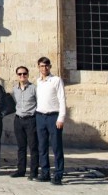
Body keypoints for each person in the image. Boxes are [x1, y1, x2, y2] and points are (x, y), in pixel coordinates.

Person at [35, 57, 66, 185]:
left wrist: (61, 117)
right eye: (42, 66)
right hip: (40, 116)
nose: (44, 68)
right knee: (42, 146)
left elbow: (62, 99)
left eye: (46, 66)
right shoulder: (38, 81)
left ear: (50, 66)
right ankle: (45, 172)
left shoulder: (56, 80)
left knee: (56, 146)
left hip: (53, 116)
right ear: (38, 67)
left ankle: (58, 174)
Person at [10, 65, 39, 180]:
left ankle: (34, 172)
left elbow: (39, 103)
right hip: (18, 120)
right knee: (21, 147)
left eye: (24, 73)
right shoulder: (15, 89)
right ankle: (21, 170)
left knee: (33, 147)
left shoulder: (34, 88)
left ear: (28, 74)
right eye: (20, 74)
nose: (22, 76)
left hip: (31, 119)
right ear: (17, 76)